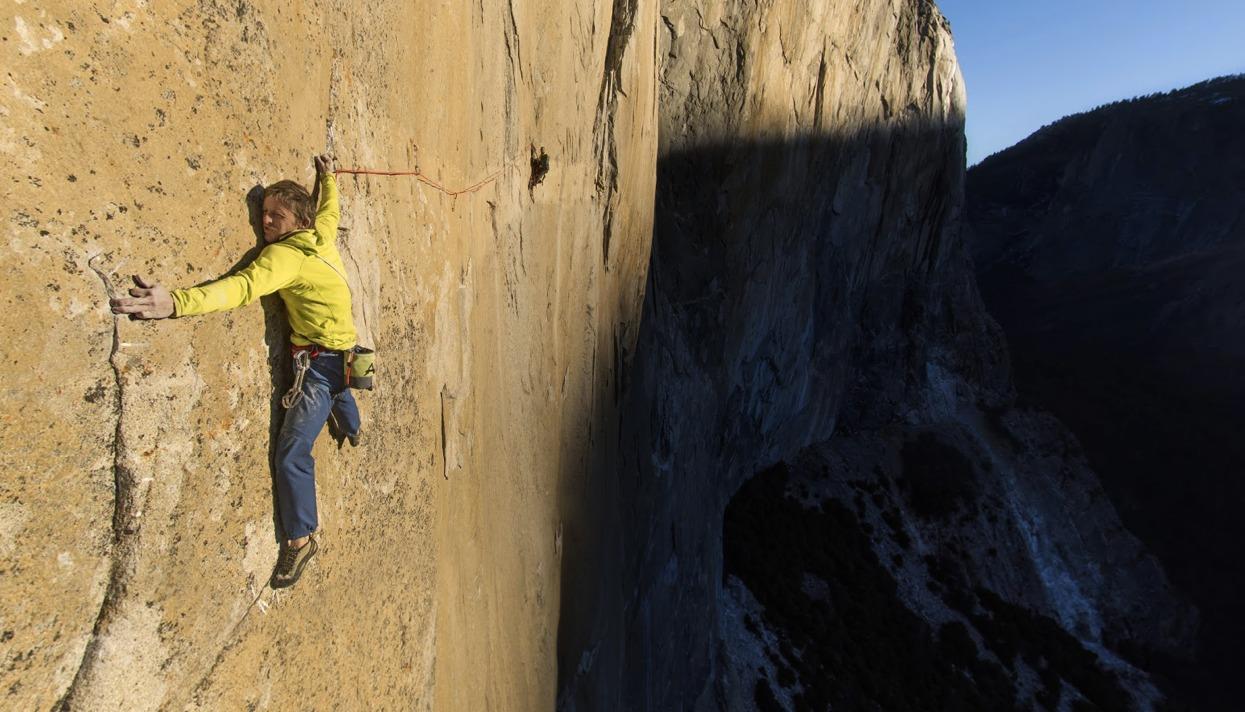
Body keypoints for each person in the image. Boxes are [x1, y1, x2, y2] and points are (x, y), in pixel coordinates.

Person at [110, 153, 361, 588]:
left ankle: (301, 541)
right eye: (263, 214)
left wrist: (175, 303)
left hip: (319, 368)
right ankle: (353, 427)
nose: (265, 223)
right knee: (342, 391)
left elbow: (242, 286)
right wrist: (328, 177)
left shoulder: (287, 257)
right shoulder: (321, 238)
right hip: (345, 356)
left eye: (274, 216)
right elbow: (328, 211)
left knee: (291, 454)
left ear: (299, 220)